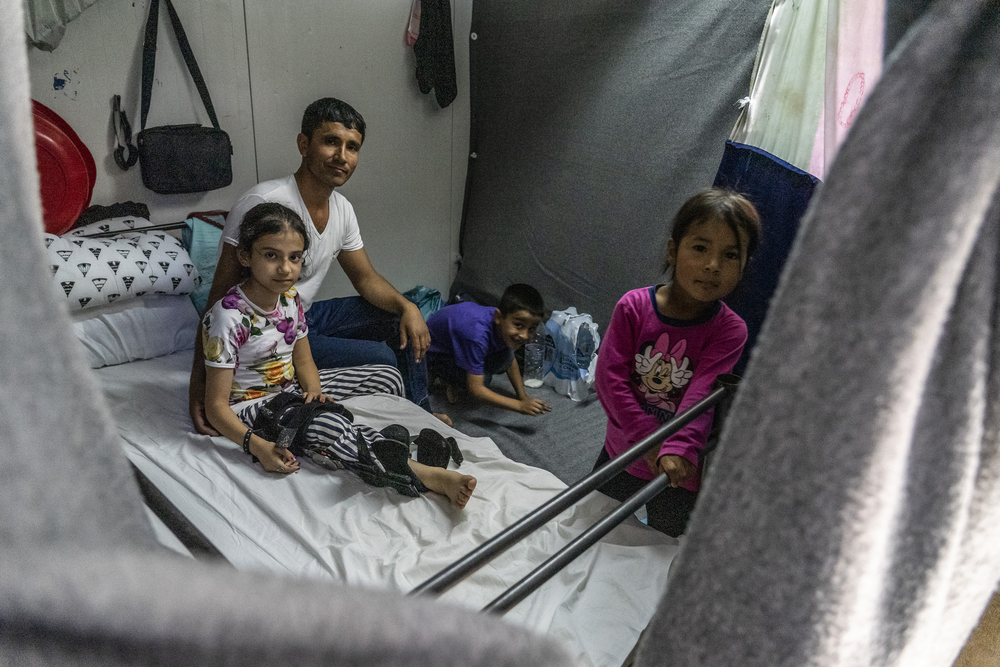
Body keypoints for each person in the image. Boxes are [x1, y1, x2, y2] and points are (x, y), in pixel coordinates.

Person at [190, 97, 447, 436]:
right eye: (331, 142)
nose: (342, 156)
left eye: (352, 147)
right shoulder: (264, 202)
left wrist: (408, 306)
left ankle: (421, 408)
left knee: (402, 318)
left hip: (301, 315)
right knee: (383, 359)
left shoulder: (342, 209)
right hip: (271, 330)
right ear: (304, 144)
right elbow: (219, 298)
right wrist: (199, 384)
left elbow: (366, 278)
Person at [201, 202, 476, 508]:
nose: (285, 268)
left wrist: (315, 393)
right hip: (252, 406)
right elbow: (215, 406)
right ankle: (424, 473)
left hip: (290, 390)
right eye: (270, 255)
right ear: (245, 256)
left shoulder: (289, 300)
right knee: (329, 424)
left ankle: (385, 440)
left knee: (387, 377)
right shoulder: (227, 318)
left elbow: (303, 361)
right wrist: (258, 446)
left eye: (294, 258)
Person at [593, 188, 761, 536]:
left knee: (668, 547)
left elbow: (700, 395)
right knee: (592, 530)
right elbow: (610, 380)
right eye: (700, 248)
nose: (713, 265)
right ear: (673, 250)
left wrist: (676, 449)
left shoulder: (730, 330)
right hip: (625, 447)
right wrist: (649, 442)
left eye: (730, 255)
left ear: (744, 267)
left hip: (679, 464)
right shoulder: (633, 307)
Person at [426, 284, 552, 416]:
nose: (525, 335)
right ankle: (441, 375)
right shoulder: (477, 335)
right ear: (498, 317)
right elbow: (476, 389)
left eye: (531, 329)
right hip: (432, 353)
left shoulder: (502, 323)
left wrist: (524, 397)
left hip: (456, 344)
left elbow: (510, 362)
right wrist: (519, 406)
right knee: (484, 380)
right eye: (518, 325)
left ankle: (453, 374)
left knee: (502, 359)